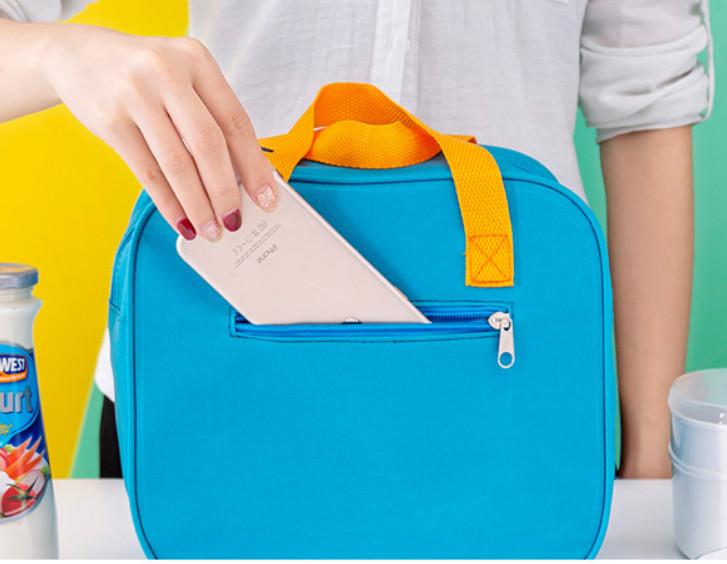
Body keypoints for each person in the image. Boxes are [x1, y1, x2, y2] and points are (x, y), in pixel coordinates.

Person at [0, 0, 712, 479]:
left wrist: (654, 465)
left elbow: (648, 105)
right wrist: (65, 52)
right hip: (211, 378)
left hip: (510, 394)